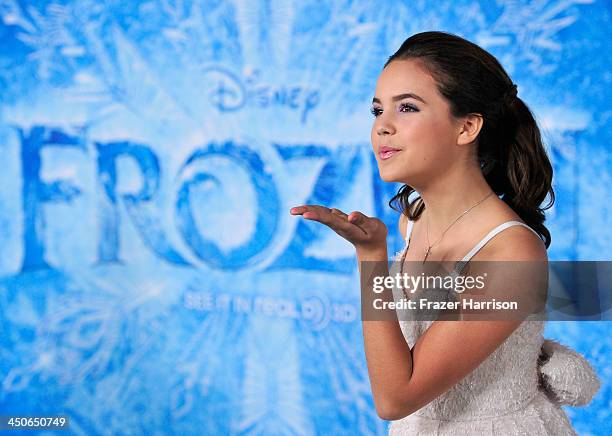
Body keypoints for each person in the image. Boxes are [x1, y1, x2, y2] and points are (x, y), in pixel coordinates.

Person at [290, 31, 600, 435]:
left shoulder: (510, 251)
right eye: (377, 110)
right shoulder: (412, 221)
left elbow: (395, 397)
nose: (383, 127)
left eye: (407, 107)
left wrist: (371, 260)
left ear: (467, 127)